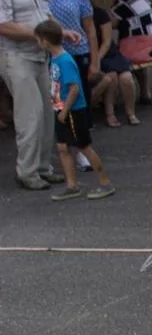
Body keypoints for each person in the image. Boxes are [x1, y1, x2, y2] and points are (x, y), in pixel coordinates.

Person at [1, 0, 63, 190]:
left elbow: (45, 15)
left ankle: (43, 167)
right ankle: (27, 172)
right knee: (30, 114)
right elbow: (3, 24)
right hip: (16, 56)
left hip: (40, 55)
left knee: (48, 113)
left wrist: (59, 32)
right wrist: (39, 34)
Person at [38, 19, 112, 201]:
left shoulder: (65, 60)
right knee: (62, 147)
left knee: (83, 146)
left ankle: (105, 182)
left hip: (72, 110)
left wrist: (64, 110)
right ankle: (72, 185)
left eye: (39, 40)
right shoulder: (54, 59)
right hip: (60, 108)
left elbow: (74, 88)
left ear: (45, 41)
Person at [39, 0, 94, 95]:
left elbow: (90, 29)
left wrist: (95, 62)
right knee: (57, 97)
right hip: (51, 53)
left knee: (80, 94)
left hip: (78, 51)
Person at [89, 0, 137, 127]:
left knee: (127, 78)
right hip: (90, 54)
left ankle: (131, 113)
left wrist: (97, 58)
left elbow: (107, 41)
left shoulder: (100, 14)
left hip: (108, 53)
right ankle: (110, 115)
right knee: (112, 78)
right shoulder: (76, 16)